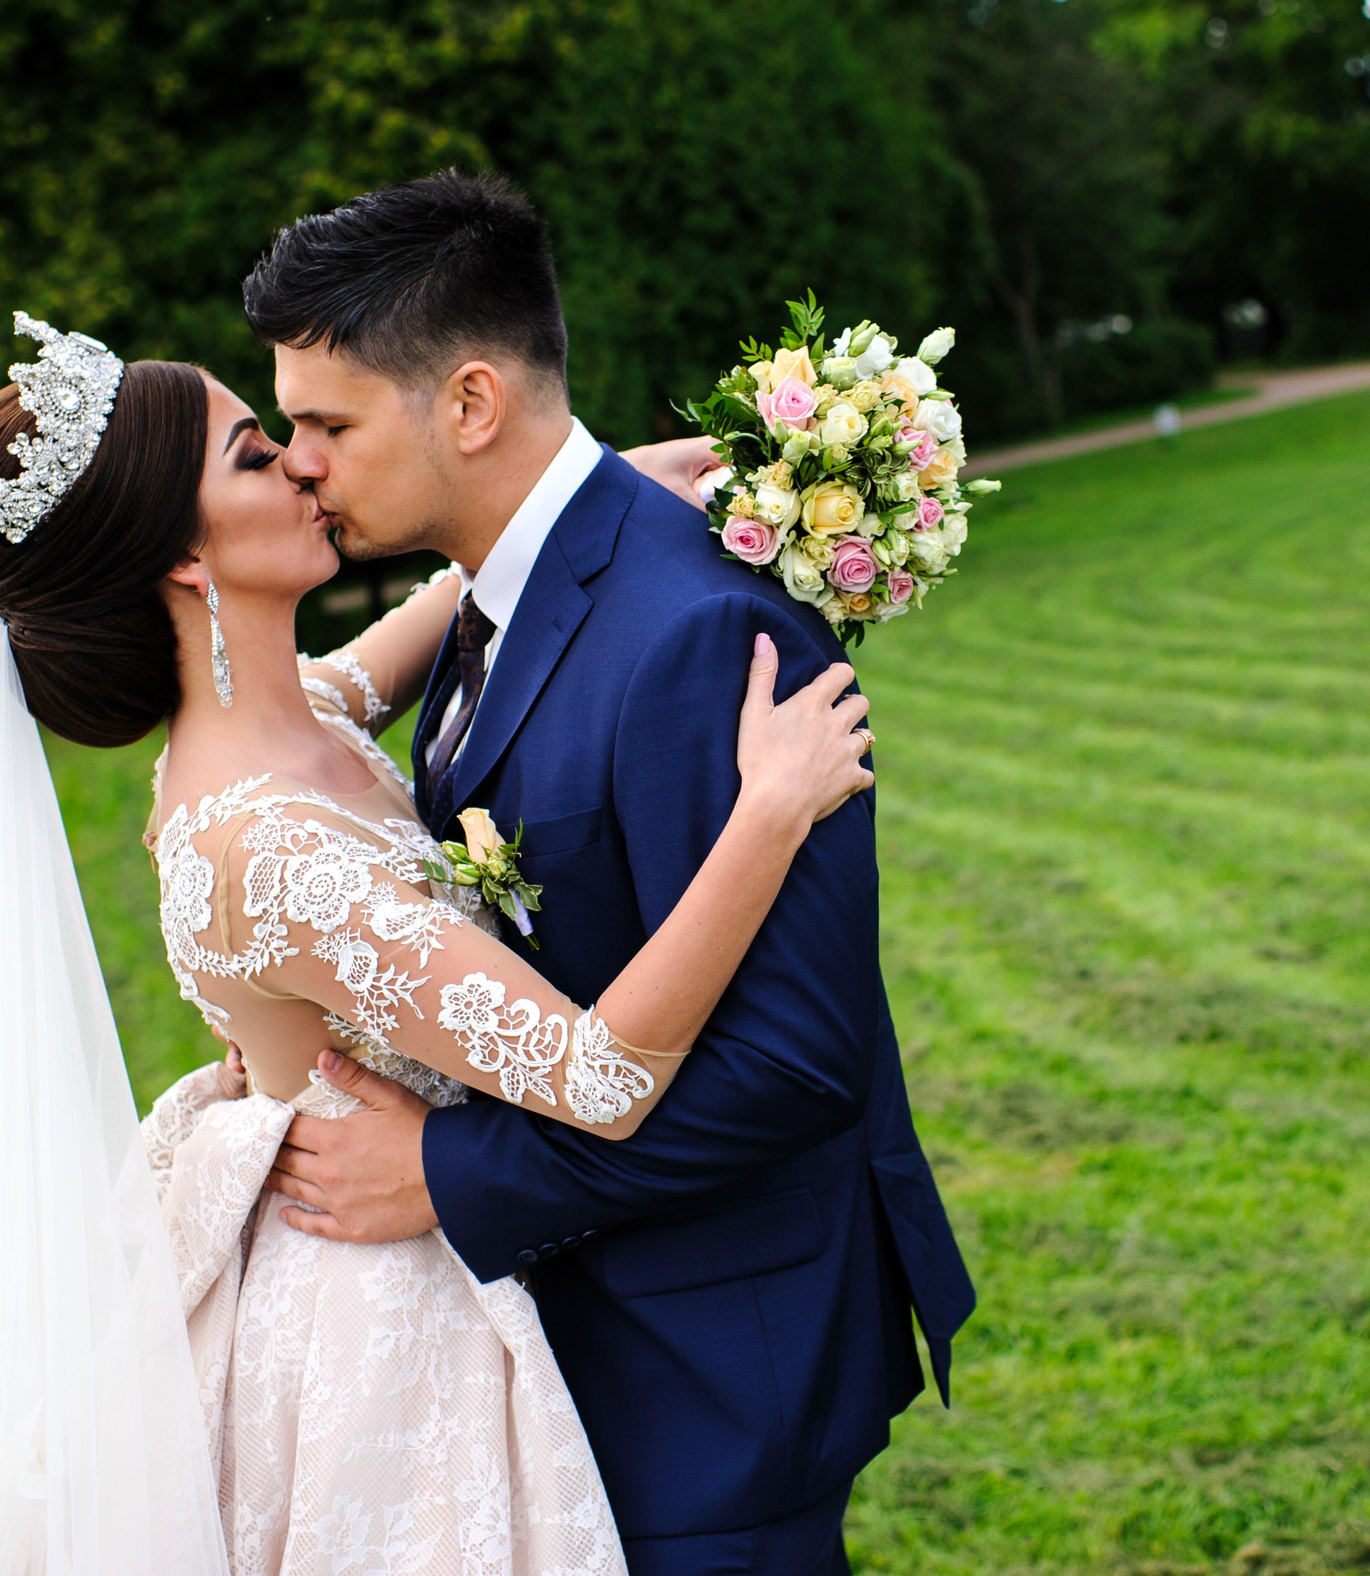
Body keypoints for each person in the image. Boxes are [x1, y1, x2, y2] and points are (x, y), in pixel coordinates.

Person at [0, 302, 885, 1574]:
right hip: (380, 1322)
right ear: (188, 563)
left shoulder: (304, 705)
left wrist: (596, 485)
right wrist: (766, 812)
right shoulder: (262, 853)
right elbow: (598, 1078)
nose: (306, 462)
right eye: (258, 454)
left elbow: (438, 605)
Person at [242, 171, 976, 1575]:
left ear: (468, 405)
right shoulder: (501, 589)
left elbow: (794, 1067)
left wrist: (449, 1172)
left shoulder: (695, 633)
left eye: (327, 422)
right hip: (592, 1342)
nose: (301, 461)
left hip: (709, 1372)